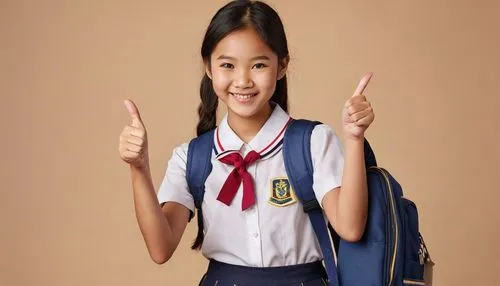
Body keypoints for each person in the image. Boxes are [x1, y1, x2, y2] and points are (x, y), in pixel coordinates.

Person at [118, 0, 375, 285]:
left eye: (259, 65)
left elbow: (351, 228)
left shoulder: (313, 142)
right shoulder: (191, 157)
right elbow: (160, 248)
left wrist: (354, 139)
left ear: (281, 66)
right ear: (209, 67)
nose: (242, 80)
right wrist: (138, 168)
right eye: (227, 64)